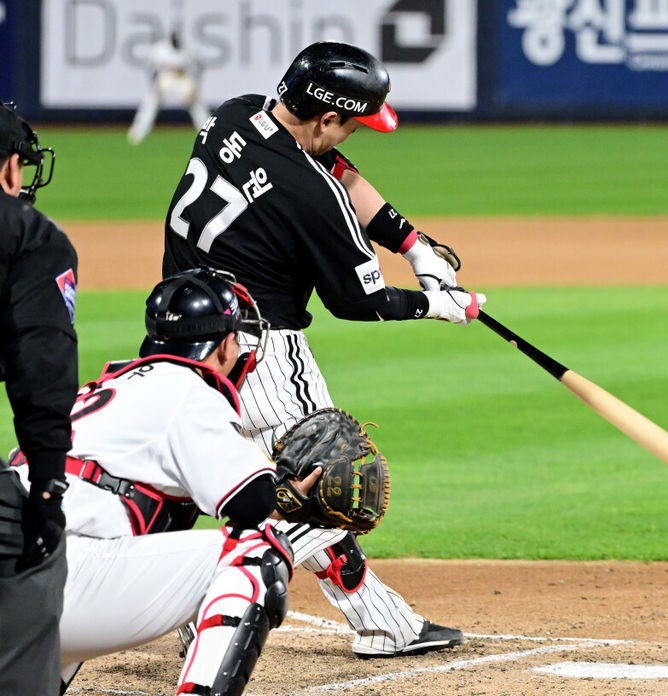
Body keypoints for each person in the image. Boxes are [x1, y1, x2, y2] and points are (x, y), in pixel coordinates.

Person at [162, 41, 482, 658]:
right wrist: (441, 304)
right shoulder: (310, 197)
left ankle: (189, 609)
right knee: (314, 479)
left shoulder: (235, 114)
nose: (351, 136)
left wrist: (412, 244)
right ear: (327, 117)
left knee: (197, 479)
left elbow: (334, 168)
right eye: (351, 124)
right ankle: (382, 624)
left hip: (180, 332)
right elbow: (357, 300)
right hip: (260, 352)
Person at [12, 267, 321, 695]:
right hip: (58, 573)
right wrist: (288, 490)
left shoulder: (105, 390)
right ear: (227, 342)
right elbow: (251, 502)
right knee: (257, 554)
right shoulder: (186, 388)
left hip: (22, 557)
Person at [0, 101, 77, 695]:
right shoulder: (30, 237)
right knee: (35, 556)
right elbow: (42, 366)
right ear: (8, 171)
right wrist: (48, 486)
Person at [128, 30, 210, 145]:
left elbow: (199, 68)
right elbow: (151, 69)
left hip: (183, 80)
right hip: (165, 79)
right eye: (173, 40)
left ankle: (208, 134)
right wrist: (154, 86)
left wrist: (195, 88)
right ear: (169, 41)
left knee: (197, 104)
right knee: (150, 101)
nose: (176, 42)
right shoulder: (159, 50)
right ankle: (138, 133)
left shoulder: (189, 50)